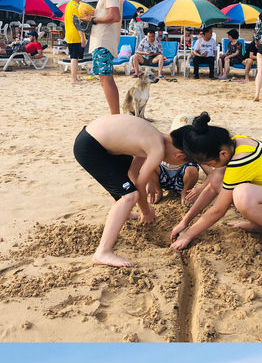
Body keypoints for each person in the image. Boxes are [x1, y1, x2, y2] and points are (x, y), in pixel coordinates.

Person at [170, 112, 262, 264]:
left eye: (210, 163)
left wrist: (188, 234)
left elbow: (219, 209)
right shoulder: (234, 143)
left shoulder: (241, 160)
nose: (209, 167)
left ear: (222, 154)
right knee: (218, 177)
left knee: (243, 195)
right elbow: (213, 187)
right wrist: (185, 220)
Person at [73, 113, 190, 267]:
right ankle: (103, 252)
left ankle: (124, 212)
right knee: (130, 195)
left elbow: (133, 172)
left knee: (126, 182)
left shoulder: (156, 135)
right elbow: (139, 186)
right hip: (90, 147)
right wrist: (146, 211)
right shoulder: (158, 149)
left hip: (94, 139)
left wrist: (148, 184)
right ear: (179, 155)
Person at [82, 0, 123, 114]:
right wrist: (94, 15)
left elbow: (115, 16)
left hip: (104, 41)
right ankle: (114, 114)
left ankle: (115, 115)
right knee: (103, 78)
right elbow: (111, 14)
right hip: (103, 41)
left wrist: (93, 20)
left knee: (106, 78)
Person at [64, 0, 86, 85]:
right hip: (75, 34)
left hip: (71, 34)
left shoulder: (70, 5)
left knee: (75, 57)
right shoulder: (74, 6)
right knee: (74, 57)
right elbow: (77, 23)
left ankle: (75, 77)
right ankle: (73, 79)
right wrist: (82, 37)